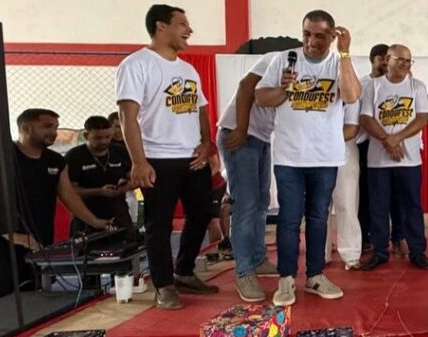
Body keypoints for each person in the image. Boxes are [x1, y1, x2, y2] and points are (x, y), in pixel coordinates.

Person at [256, 9, 361, 307]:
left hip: (325, 157)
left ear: (332, 36)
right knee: (289, 219)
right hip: (289, 157)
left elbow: (351, 95)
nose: (311, 41)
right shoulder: (283, 59)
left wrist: (345, 53)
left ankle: (315, 275)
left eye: (319, 36)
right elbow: (261, 98)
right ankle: (286, 278)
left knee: (318, 218)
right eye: (306, 34)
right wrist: (283, 88)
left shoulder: (338, 62)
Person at [117, 4, 217, 310]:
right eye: (182, 24)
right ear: (161, 26)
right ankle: (163, 285)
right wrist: (139, 161)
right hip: (157, 158)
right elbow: (127, 116)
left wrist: (206, 144)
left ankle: (184, 271)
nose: (189, 30)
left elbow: (200, 109)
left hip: (192, 157)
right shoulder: (136, 64)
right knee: (159, 223)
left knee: (202, 213)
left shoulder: (188, 69)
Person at [7, 109, 111, 289]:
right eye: (47, 126)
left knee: (38, 288)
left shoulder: (55, 160)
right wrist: (15, 237)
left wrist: (95, 222)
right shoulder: (4, 156)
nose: (53, 132)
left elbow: (69, 196)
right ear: (25, 128)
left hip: (40, 240)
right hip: (6, 244)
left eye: (56, 127)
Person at [359, 44, 428, 271]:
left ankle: (417, 251)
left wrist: (396, 138)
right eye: (400, 60)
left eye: (408, 61)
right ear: (387, 60)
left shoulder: (417, 86)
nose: (405, 64)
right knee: (378, 207)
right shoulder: (372, 86)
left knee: (411, 206)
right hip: (378, 161)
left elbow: (422, 118)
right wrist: (386, 139)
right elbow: (365, 119)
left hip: (409, 160)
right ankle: (380, 252)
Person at [216, 51, 279, 303]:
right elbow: (245, 87)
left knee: (262, 201)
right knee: (246, 204)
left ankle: (257, 258)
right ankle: (243, 271)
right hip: (238, 133)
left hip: (261, 137)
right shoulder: (277, 58)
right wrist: (241, 128)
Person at [357, 43, 406, 258]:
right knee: (368, 196)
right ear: (372, 60)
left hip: (395, 145)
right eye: (380, 59)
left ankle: (398, 237)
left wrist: (392, 141)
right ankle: (368, 238)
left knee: (398, 196)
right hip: (367, 145)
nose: (385, 63)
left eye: (388, 59)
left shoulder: (400, 83)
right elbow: (362, 118)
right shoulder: (362, 85)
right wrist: (384, 138)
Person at [65, 115, 134, 236]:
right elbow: (69, 190)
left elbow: (134, 178)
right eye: (98, 138)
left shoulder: (120, 151)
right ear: (86, 135)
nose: (104, 141)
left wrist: (124, 188)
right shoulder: (74, 156)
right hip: (86, 217)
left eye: (108, 137)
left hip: (119, 214)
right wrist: (99, 191)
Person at [325, 99, 362, 268]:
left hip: (344, 152)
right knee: (319, 206)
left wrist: (321, 139)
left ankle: (351, 255)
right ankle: (319, 253)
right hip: (317, 154)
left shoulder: (350, 96)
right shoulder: (314, 91)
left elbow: (351, 129)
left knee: (347, 204)